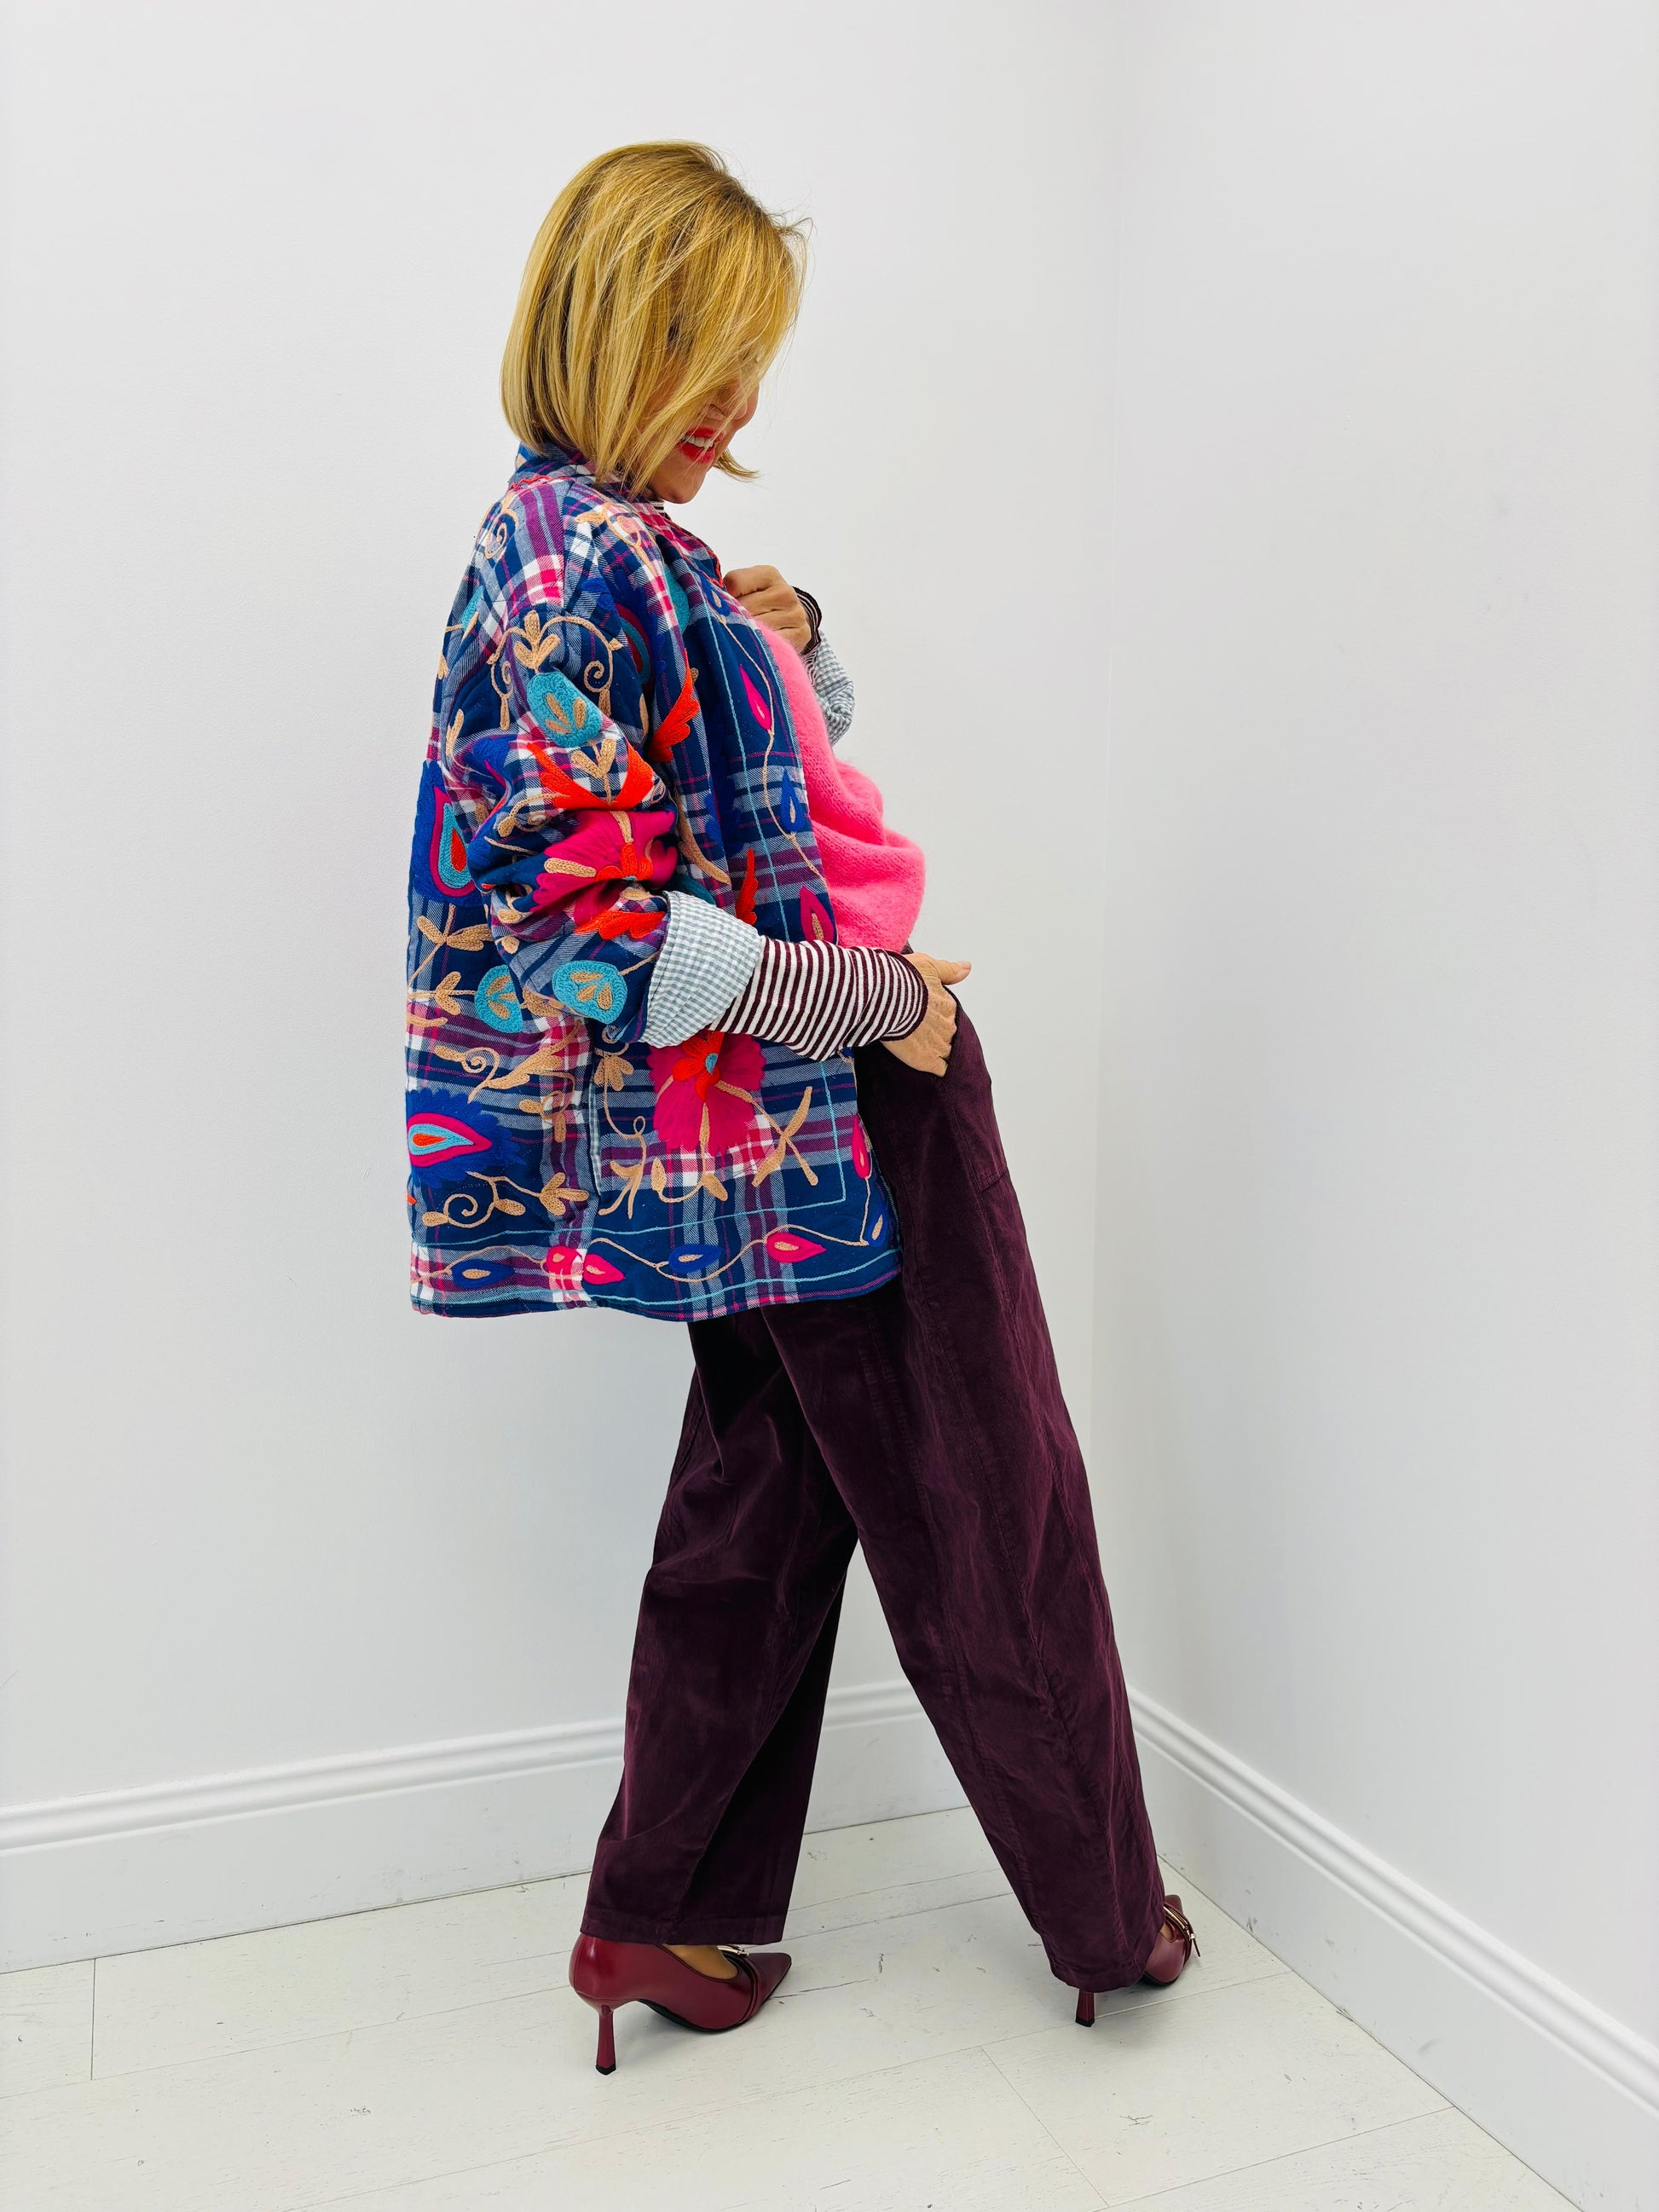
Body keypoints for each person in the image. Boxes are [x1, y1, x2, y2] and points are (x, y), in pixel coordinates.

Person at [404, 140, 1195, 2077]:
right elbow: (597, 935)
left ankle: (657, 1912)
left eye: (755, 368)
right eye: (716, 363)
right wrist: (888, 1005)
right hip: (837, 1097)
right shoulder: (590, 564)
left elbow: (750, 807)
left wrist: (793, 642)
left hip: (757, 1144)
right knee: (991, 1506)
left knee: (755, 1507)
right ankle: (1107, 1921)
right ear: (622, 333)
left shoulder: (578, 542)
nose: (743, 413)